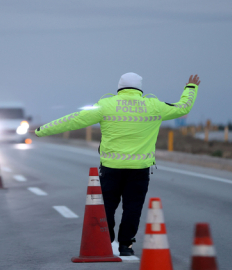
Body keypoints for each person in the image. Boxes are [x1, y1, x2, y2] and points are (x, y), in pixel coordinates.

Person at [34, 72, 200, 255]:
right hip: (139, 169)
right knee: (133, 208)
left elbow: (75, 119)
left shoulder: (106, 105)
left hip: (111, 168)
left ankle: (106, 239)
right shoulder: (154, 106)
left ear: (119, 87)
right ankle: (126, 246)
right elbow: (183, 108)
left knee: (106, 206)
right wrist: (190, 88)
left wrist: (42, 130)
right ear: (140, 88)